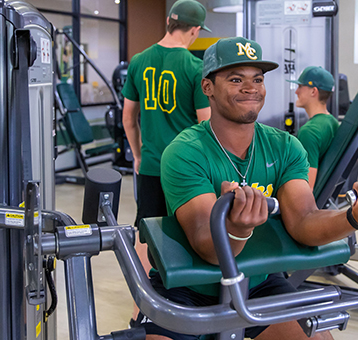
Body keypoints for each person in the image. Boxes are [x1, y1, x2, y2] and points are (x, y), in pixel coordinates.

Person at [140, 37, 358, 340]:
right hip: (189, 289)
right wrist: (238, 227)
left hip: (257, 283)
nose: (251, 88)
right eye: (236, 79)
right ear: (207, 87)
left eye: (257, 79)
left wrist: (355, 216)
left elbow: (304, 222)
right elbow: (207, 246)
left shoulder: (285, 146)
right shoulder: (184, 151)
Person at [121, 0, 211, 325]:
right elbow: (207, 125)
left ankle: (142, 307)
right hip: (187, 170)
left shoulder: (139, 61)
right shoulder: (195, 66)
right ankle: (188, 300)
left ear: (169, 22)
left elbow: (128, 117)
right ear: (194, 30)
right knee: (190, 231)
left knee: (146, 232)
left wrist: (138, 155)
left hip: (150, 166)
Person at [288, 66, 339, 189]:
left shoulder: (309, 131)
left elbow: (307, 188)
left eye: (300, 86)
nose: (296, 92)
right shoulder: (332, 122)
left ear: (313, 91)